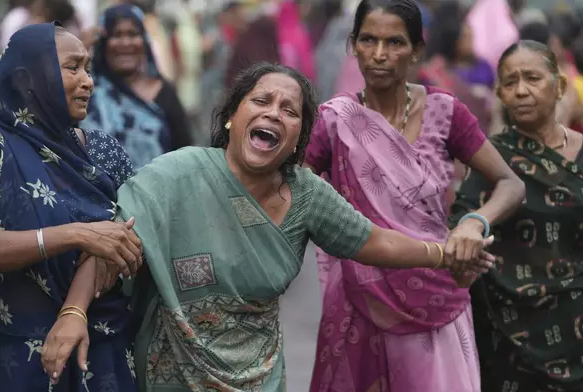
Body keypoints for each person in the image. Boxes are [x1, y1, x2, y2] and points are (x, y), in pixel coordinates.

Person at [40, 61, 496, 391]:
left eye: (289, 110)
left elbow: (373, 241)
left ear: (299, 136)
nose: (274, 113)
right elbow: (112, 245)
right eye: (261, 101)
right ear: (234, 116)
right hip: (173, 373)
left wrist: (445, 251)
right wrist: (73, 313)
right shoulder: (175, 175)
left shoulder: (306, 195)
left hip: (261, 376)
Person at [304, 1, 526, 391]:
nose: (379, 54)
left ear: (416, 51)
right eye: (368, 40)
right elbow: (294, 189)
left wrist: (474, 222)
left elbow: (510, 183)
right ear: (353, 45)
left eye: (394, 42)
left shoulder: (445, 111)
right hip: (359, 300)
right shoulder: (334, 121)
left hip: (436, 295)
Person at [0, 23, 142, 391]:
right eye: (73, 68)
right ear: (27, 78)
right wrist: (75, 235)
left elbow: (122, 241)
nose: (88, 81)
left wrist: (75, 310)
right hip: (10, 356)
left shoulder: (104, 152)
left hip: (100, 350)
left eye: (88, 68)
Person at [452, 40, 583, 392]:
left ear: (559, 86)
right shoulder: (491, 158)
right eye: (510, 83)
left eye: (532, 78)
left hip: (576, 327)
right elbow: (461, 224)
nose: (521, 90)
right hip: (509, 338)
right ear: (500, 94)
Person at [81, 5, 192, 170]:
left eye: (133, 34)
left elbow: (186, 154)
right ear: (103, 42)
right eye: (116, 35)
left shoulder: (164, 92)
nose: (125, 43)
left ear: (144, 40)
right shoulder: (87, 91)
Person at [420, 0, 494, 131]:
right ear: (454, 41)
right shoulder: (437, 70)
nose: (470, 42)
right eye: (465, 38)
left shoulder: (483, 66)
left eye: (472, 36)